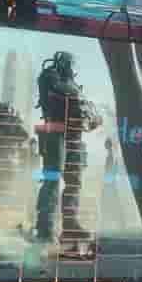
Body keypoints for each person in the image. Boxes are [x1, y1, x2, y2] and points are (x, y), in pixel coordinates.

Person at [35, 51, 102, 244]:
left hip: (74, 136)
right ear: (64, 63)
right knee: (53, 180)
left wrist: (90, 114)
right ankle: (45, 229)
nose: (74, 69)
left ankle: (70, 226)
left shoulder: (73, 86)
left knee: (74, 182)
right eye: (71, 64)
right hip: (56, 134)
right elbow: (64, 93)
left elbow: (92, 113)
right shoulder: (50, 76)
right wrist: (82, 102)